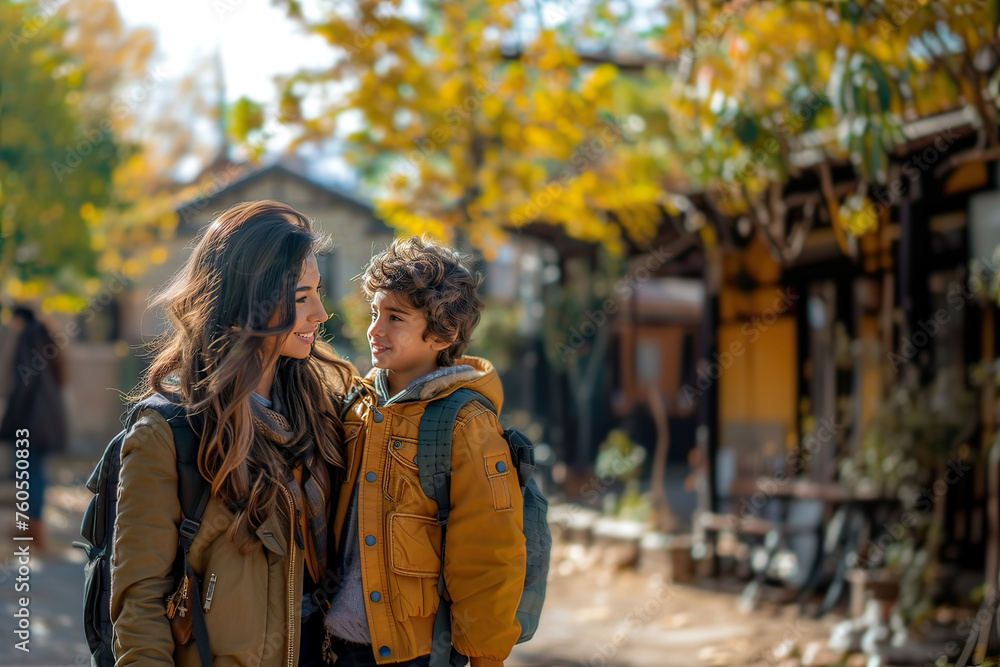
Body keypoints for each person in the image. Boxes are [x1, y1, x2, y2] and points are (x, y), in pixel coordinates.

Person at [111, 200, 354, 667]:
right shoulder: (169, 432)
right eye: (302, 297)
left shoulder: (321, 410)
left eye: (318, 292)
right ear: (251, 300)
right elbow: (139, 605)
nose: (321, 313)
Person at [322, 236, 526, 667]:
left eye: (395, 317)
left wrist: (486, 656)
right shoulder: (356, 406)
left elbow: (489, 550)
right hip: (337, 643)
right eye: (375, 313)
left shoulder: (467, 422)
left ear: (443, 333)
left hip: (415, 652)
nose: (375, 330)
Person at [0, 306, 69, 550]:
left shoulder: (28, 336)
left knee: (28, 473)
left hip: (31, 420)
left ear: (19, 319)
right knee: (35, 471)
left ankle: (33, 529)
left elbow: (24, 381)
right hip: (45, 420)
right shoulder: (43, 336)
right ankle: (34, 527)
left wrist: (9, 419)